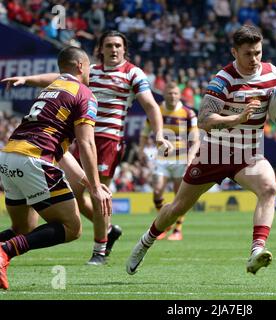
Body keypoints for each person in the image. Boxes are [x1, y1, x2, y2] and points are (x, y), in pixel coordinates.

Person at [126, 25, 276, 276]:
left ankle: (257, 251)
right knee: (177, 207)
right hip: (215, 153)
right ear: (234, 52)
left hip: (249, 153)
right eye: (247, 54)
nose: (254, 59)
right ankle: (145, 242)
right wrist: (237, 118)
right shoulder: (223, 81)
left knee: (270, 188)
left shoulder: (273, 74)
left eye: (258, 53)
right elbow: (204, 120)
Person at [2, 31, 172, 265]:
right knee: (80, 204)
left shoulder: (132, 72)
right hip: (80, 140)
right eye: (109, 45)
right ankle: (108, 231)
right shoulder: (87, 82)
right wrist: (28, 78)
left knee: (94, 194)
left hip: (107, 141)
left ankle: (99, 250)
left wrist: (160, 133)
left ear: (125, 49)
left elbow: (151, 105)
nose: (114, 50)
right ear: (99, 50)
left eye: (118, 46)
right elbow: (62, 76)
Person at [0, 46, 112, 290]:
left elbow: (62, 154)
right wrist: (95, 187)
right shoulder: (83, 94)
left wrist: (88, 182)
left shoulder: (52, 89)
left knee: (23, 228)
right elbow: (86, 142)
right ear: (82, 66)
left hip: (9, 156)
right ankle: (3, 252)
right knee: (72, 229)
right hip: (34, 159)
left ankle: (5, 248)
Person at [138, 81, 199, 241]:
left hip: (181, 159)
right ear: (164, 94)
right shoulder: (156, 110)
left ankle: (177, 230)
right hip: (161, 158)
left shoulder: (188, 113)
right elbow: (145, 133)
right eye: (169, 93)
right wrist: (141, 150)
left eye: (175, 93)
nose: (172, 96)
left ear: (179, 95)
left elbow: (196, 139)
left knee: (180, 197)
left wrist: (191, 156)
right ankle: (165, 224)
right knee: (157, 191)